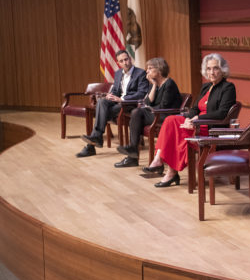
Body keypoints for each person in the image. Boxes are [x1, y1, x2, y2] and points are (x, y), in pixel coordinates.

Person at [142, 53, 236, 188]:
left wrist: (198, 119)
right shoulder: (206, 87)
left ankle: (170, 172)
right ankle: (158, 158)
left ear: (222, 70)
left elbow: (222, 113)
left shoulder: (228, 87)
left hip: (210, 127)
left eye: (215, 68)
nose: (212, 72)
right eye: (208, 69)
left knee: (178, 133)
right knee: (170, 120)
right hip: (196, 123)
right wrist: (189, 118)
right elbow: (194, 108)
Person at [77, 50, 149, 157]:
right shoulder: (118, 73)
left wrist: (122, 99)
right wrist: (110, 96)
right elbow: (116, 90)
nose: (125, 62)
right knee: (102, 102)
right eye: (122, 61)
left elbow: (141, 93)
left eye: (126, 59)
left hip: (130, 104)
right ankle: (95, 139)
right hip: (117, 103)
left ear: (130, 59)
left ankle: (93, 143)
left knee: (104, 112)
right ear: (118, 63)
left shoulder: (141, 73)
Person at [115, 57, 182, 168]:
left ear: (159, 69)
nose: (147, 71)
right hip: (156, 113)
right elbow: (147, 102)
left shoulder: (169, 84)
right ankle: (133, 153)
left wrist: (148, 108)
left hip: (167, 116)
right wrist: (154, 85)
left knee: (137, 112)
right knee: (136, 113)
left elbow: (163, 106)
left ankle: (133, 152)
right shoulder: (155, 83)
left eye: (150, 68)